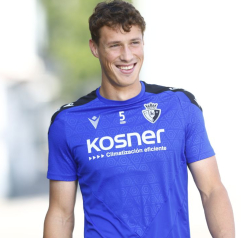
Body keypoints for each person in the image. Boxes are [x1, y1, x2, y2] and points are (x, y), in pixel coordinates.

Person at [43, 1, 235, 237]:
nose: (127, 56)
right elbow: (61, 213)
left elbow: (212, 190)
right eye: (115, 45)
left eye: (134, 42)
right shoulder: (68, 122)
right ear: (94, 48)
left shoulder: (180, 106)